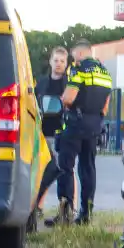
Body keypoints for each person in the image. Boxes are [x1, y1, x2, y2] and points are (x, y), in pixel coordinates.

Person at [53, 39, 112, 225]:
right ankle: (86, 214)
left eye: (73, 56)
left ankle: (66, 213)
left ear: (79, 54)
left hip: (75, 124)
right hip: (94, 125)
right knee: (88, 169)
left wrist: (62, 99)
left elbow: (69, 98)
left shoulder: (78, 70)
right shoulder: (105, 73)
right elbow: (105, 106)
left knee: (65, 167)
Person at [33, 46, 69, 226]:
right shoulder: (41, 83)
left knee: (65, 172)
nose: (58, 64)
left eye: (62, 61)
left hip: (62, 135)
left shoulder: (70, 85)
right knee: (43, 172)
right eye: (56, 60)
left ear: (66, 63)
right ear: (50, 61)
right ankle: (38, 206)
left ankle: (67, 208)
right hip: (42, 134)